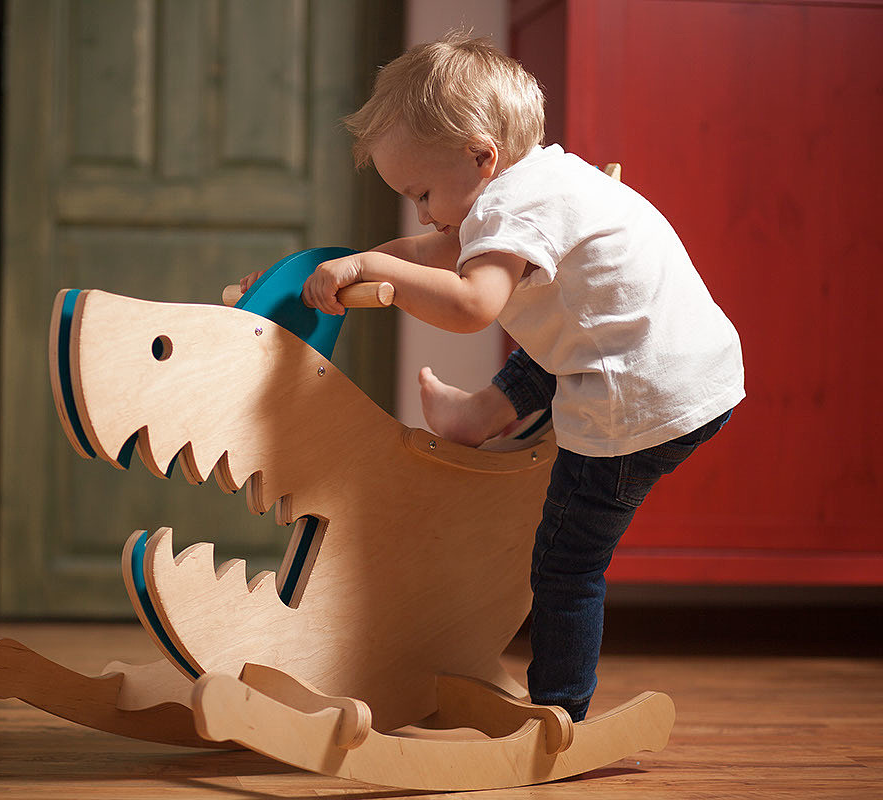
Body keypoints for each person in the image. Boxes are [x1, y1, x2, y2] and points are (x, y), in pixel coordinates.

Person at [239, 31, 744, 722]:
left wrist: (377, 270)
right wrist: (347, 266)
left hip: (640, 401)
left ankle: (560, 714)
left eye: (421, 191)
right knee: (557, 324)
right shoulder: (546, 179)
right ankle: (483, 412)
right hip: (688, 360)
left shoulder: (511, 209)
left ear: (482, 156)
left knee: (566, 565)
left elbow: (474, 305)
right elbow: (436, 248)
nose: (420, 212)